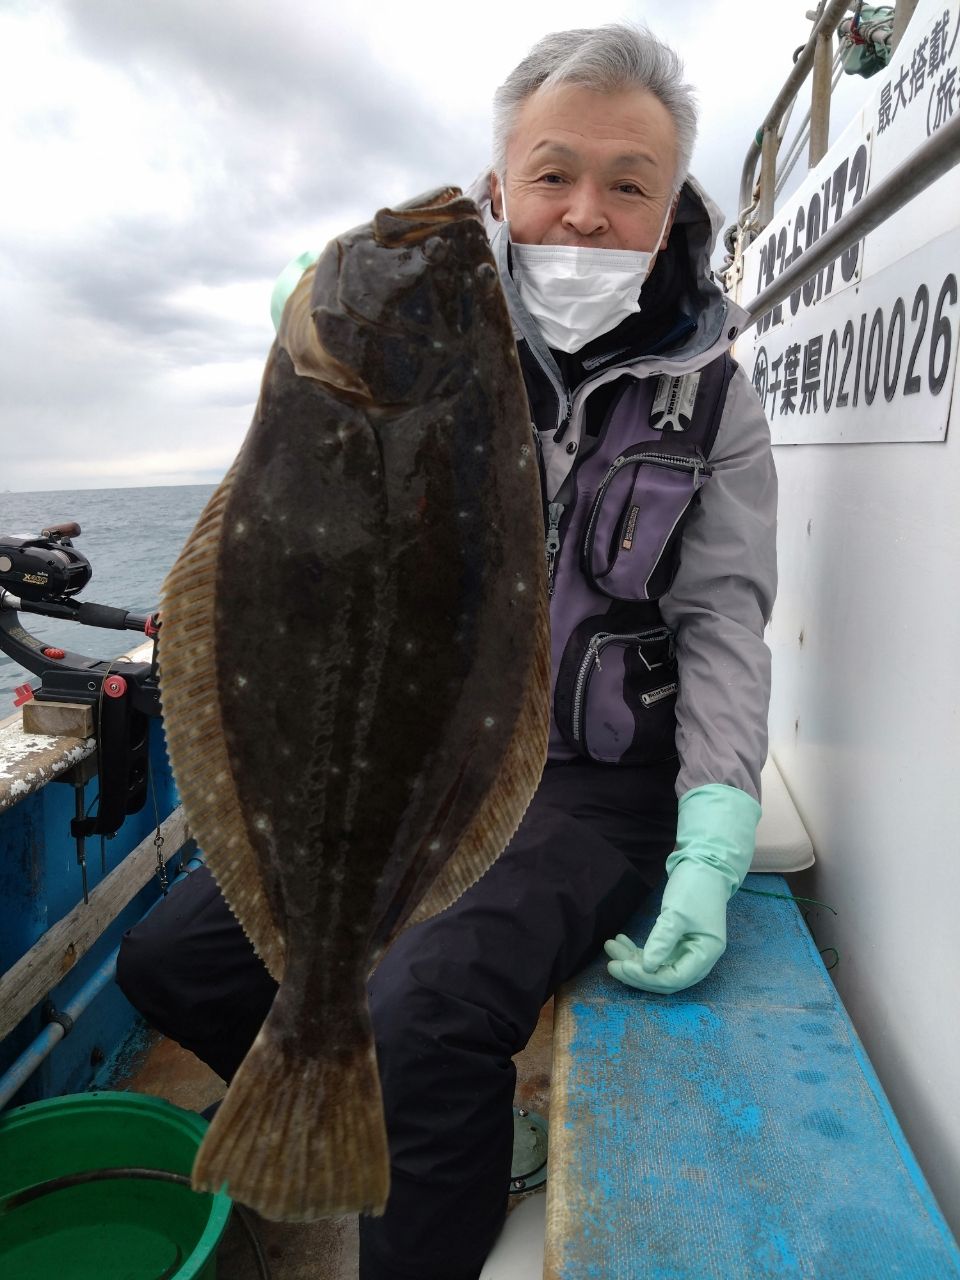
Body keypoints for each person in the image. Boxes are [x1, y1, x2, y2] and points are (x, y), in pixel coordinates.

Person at [117, 22, 776, 1280]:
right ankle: (399, 1114)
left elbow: (722, 620)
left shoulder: (716, 402)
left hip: (591, 779)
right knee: (166, 958)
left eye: (628, 183)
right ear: (500, 185)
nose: (584, 212)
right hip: (417, 754)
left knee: (417, 1012)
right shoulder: (441, 337)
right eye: (552, 173)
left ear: (670, 203)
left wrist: (715, 826)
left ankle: (432, 1164)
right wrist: (320, 315)